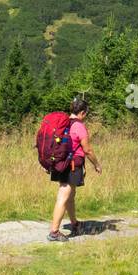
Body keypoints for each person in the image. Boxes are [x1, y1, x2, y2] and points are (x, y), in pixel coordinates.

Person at [48, 97, 101, 242]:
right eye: (86, 114)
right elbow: (88, 150)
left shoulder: (64, 123)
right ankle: (54, 232)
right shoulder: (79, 126)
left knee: (70, 195)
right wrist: (96, 164)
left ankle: (74, 223)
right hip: (71, 165)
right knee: (64, 195)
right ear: (82, 112)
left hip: (60, 163)